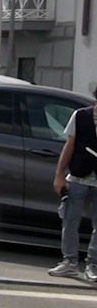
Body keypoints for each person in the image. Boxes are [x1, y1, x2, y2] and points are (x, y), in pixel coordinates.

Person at [50, 99, 97, 281]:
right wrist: (59, 174)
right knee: (70, 221)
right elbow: (70, 145)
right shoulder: (80, 116)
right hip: (78, 176)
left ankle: (93, 264)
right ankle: (69, 262)